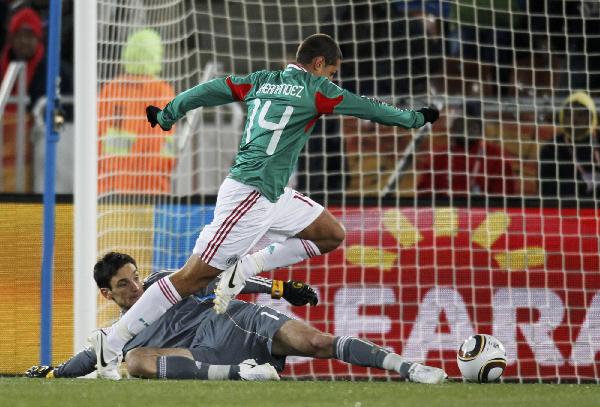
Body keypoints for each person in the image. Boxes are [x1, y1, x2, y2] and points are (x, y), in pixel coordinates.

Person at [93, 33, 440, 378]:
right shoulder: (317, 89)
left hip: (274, 194)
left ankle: (245, 268)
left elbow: (210, 89)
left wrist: (170, 112)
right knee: (190, 279)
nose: (333, 81)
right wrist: (415, 119)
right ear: (319, 64)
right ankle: (112, 342)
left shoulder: (260, 80)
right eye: (332, 73)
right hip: (249, 194)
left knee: (331, 234)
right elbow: (371, 109)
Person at [27, 252, 446, 383]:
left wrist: (280, 289)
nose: (136, 288)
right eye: (124, 285)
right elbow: (90, 356)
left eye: (135, 278)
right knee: (133, 362)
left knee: (316, 343)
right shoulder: (119, 333)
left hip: (237, 321)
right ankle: (241, 374)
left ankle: (409, 367)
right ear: (107, 294)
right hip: (206, 355)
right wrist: (53, 374)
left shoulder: (163, 282)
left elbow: (222, 280)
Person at [97, 29, 176, 195]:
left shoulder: (110, 89)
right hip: (150, 188)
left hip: (109, 189)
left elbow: (97, 138)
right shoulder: (162, 91)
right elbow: (157, 143)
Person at [417, 101, 515, 198]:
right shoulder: (437, 156)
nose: (465, 128)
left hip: (482, 213)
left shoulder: (497, 158)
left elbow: (505, 201)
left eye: (471, 123)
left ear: (481, 128)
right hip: (444, 213)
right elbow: (424, 197)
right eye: (460, 122)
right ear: (452, 127)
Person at [539, 91, 600, 201]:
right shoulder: (551, 148)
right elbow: (546, 190)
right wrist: (583, 185)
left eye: (580, 114)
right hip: (565, 211)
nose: (573, 119)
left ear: (592, 117)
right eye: (568, 114)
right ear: (561, 116)